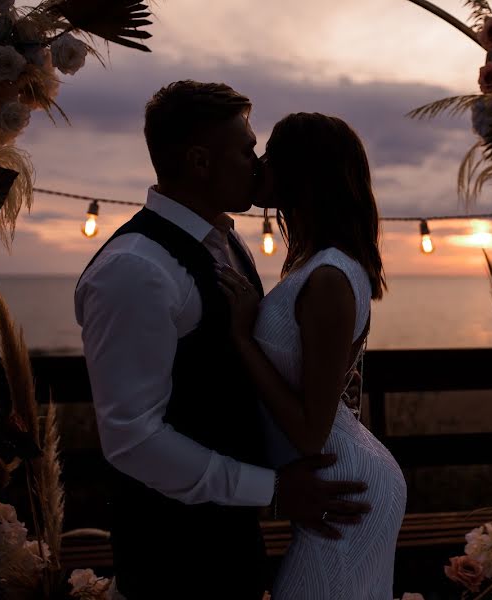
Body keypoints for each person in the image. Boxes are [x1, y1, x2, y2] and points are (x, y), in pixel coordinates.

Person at [74, 82, 370, 599]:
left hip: (234, 540)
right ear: (200, 161)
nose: (257, 164)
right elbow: (132, 438)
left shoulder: (230, 243)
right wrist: (273, 490)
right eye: (246, 149)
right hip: (172, 556)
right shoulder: (134, 269)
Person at [216, 112, 407, 599]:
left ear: (301, 171)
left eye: (270, 155)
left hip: (343, 488)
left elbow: (309, 430)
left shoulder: (329, 277)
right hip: (334, 482)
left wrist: (241, 338)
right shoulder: (314, 264)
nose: (259, 165)